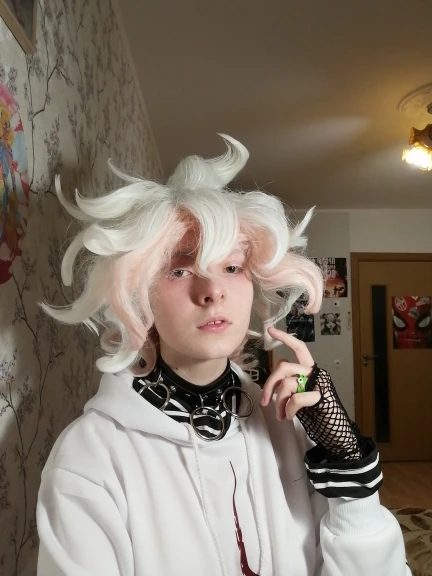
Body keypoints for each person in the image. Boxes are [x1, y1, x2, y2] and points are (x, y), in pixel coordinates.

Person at [36, 135, 411, 575]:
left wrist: (346, 462)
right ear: (140, 293)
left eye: (231, 267)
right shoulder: (89, 456)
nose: (212, 290)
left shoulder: (286, 423)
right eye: (179, 269)